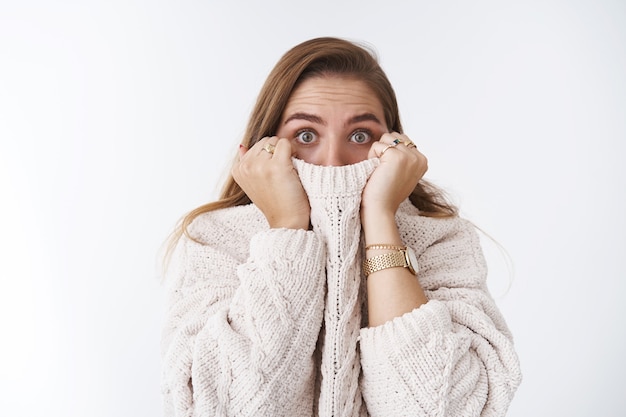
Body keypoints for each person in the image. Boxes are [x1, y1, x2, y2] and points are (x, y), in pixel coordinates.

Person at [161, 37, 521, 417]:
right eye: (305, 135)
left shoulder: (441, 239)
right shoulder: (216, 240)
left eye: (359, 136)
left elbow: (443, 409)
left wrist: (381, 218)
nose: (332, 162)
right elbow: (225, 407)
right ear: (259, 151)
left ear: (396, 147)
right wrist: (287, 229)